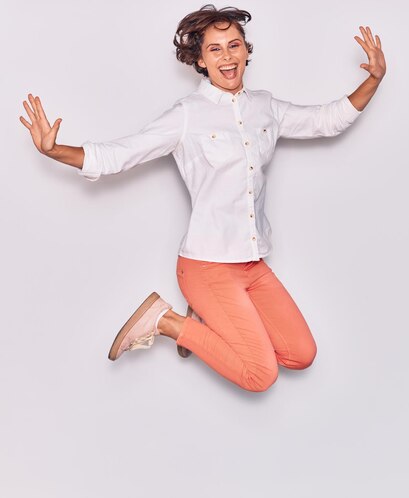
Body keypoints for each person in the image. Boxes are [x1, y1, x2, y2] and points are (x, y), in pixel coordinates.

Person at [19, 4, 386, 392]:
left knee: (301, 354)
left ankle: (204, 321)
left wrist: (375, 79)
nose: (227, 56)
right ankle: (167, 321)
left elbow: (325, 121)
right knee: (260, 375)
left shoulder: (266, 107)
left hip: (252, 262)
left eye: (234, 45)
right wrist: (55, 151)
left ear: (247, 50)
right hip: (206, 265)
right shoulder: (187, 115)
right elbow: (121, 155)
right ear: (199, 59)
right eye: (215, 49)